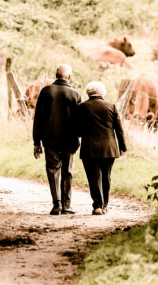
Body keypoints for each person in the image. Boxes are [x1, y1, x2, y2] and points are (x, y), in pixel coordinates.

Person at [33, 64, 82, 215]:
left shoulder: (46, 91)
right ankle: (67, 206)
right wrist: (78, 137)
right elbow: (79, 120)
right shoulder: (75, 94)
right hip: (70, 140)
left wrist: (36, 142)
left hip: (50, 139)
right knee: (67, 170)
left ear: (56, 75)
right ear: (69, 77)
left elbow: (38, 119)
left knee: (53, 169)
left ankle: (57, 204)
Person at [77, 81, 127, 215]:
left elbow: (78, 130)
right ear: (102, 92)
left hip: (89, 148)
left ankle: (97, 206)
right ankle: (105, 205)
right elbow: (119, 130)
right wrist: (122, 146)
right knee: (106, 176)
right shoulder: (111, 106)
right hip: (109, 148)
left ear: (88, 92)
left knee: (93, 178)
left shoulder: (82, 107)